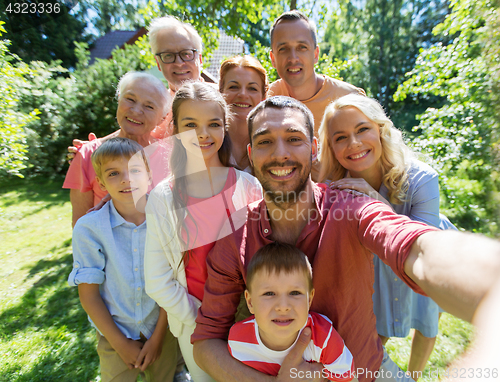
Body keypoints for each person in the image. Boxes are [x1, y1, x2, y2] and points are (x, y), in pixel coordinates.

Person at [191, 96, 500, 382]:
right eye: (265, 142)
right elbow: (206, 342)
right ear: (251, 154)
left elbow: (416, 248)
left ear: (313, 149)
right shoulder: (236, 235)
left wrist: (491, 283)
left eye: (294, 139)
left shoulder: (350, 207)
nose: (280, 152)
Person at [318, 94, 456, 380]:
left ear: (380, 130)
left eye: (362, 129)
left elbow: (422, 243)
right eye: (340, 137)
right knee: (376, 327)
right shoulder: (333, 187)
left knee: (427, 318)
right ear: (331, 147)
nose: (354, 143)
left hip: (425, 254)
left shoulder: (421, 178)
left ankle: (415, 376)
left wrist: (372, 199)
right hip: (372, 260)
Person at [144, 82, 262, 381]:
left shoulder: (248, 187)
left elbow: (263, 258)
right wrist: (201, 320)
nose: (202, 134)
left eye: (213, 124)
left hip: (249, 319)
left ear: (225, 127)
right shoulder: (163, 197)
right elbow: (157, 280)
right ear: (176, 129)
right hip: (196, 324)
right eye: (190, 124)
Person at [68, 137, 178, 382]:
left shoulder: (169, 219)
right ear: (101, 183)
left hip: (162, 329)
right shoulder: (89, 228)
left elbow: (174, 282)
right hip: (113, 333)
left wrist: (158, 337)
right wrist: (120, 344)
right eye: (114, 173)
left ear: (149, 175)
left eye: (135, 170)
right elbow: (89, 295)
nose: (127, 179)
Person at [228, 242, 355, 381]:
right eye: (269, 293)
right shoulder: (238, 341)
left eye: (295, 292)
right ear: (250, 302)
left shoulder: (324, 338)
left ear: (309, 300)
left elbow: (348, 378)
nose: (283, 306)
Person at [63, 71, 171, 227]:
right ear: (119, 98)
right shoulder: (87, 154)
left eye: (149, 106)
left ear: (163, 116)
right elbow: (81, 227)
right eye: (130, 99)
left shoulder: (171, 157)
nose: (136, 110)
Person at [268, 10, 365, 137]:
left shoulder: (350, 99)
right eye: (283, 49)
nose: (293, 58)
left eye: (302, 47)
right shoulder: (266, 98)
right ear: (273, 59)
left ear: (315, 54)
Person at [219, 55, 268, 172]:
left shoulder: (271, 144)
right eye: (234, 87)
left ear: (263, 97)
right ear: (221, 92)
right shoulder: (207, 140)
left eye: (252, 88)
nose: (243, 94)